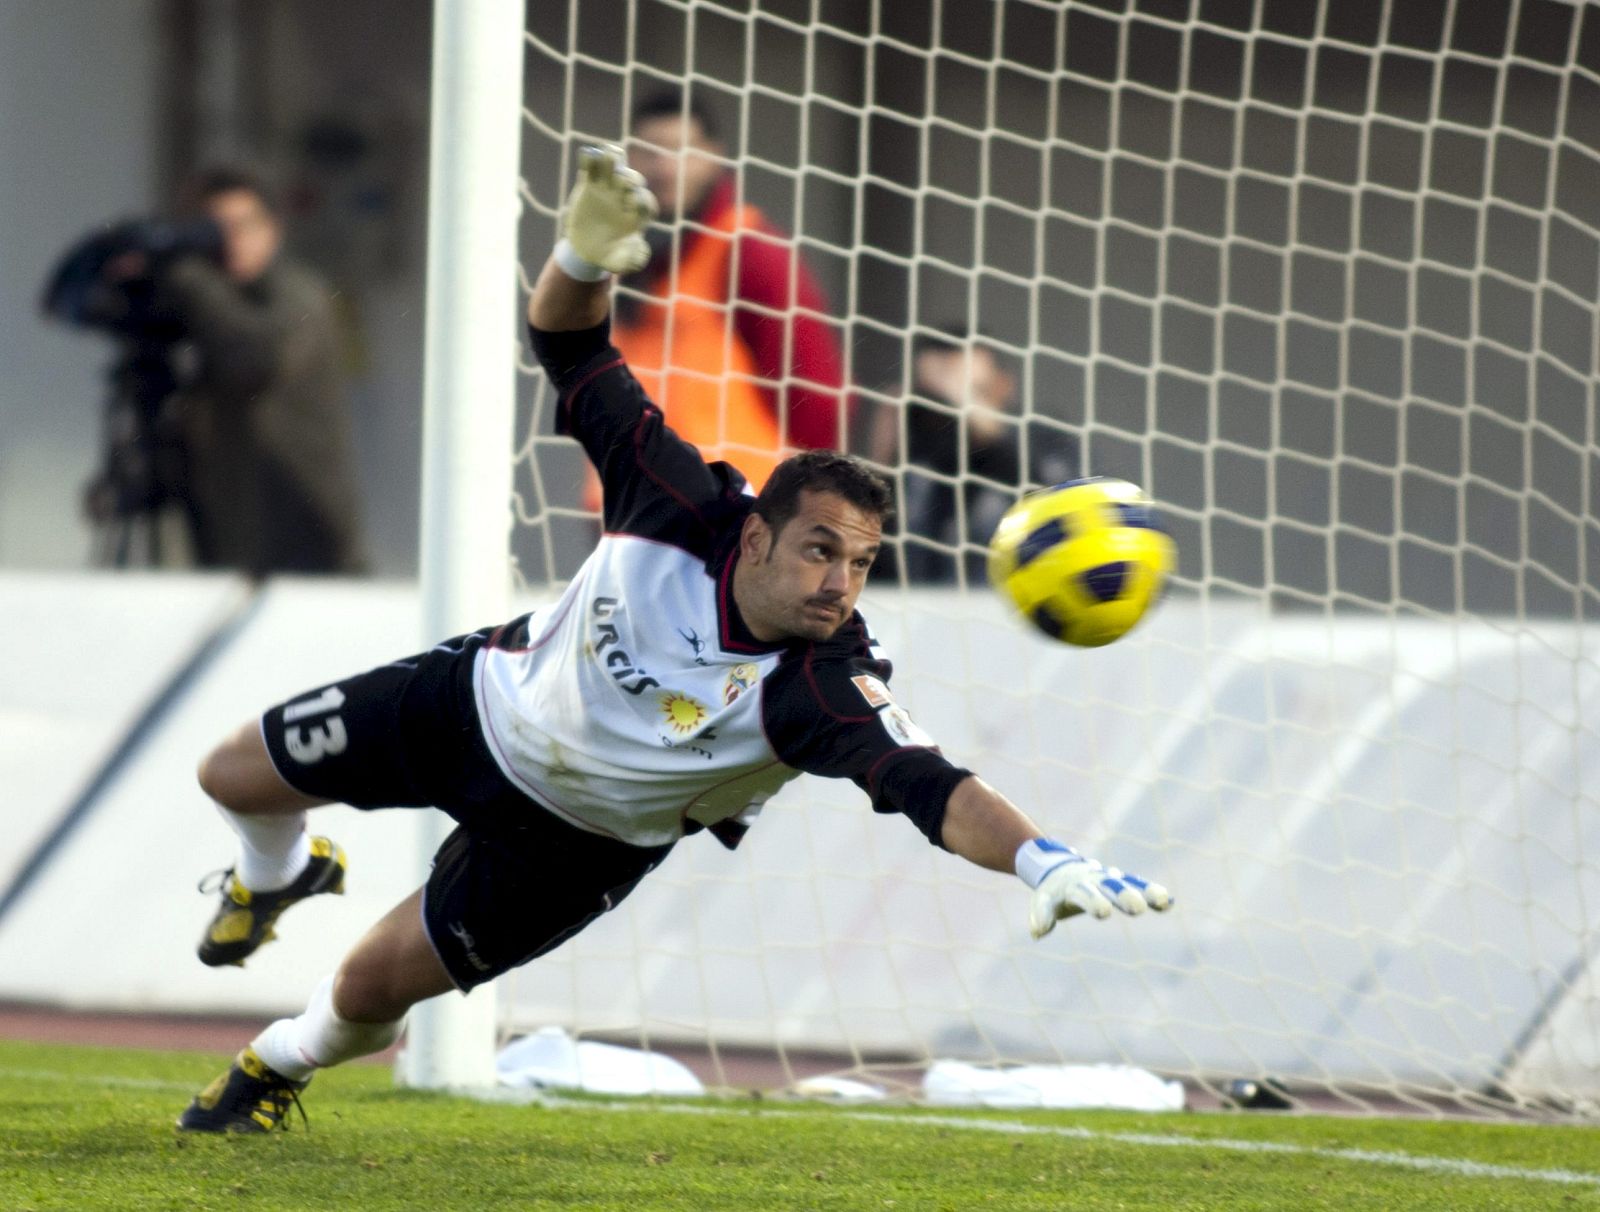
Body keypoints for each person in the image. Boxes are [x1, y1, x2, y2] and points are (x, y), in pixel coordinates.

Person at [175, 147, 1169, 1133]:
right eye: (820, 550)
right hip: (478, 704)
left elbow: (928, 782)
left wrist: (1040, 860)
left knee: (364, 993)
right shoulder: (670, 496)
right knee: (229, 773)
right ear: (753, 532)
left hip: (575, 843)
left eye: (860, 562)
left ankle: (273, 1067)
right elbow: (568, 346)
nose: (838, 582)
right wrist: (585, 254)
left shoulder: (822, 681)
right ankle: (277, 877)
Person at [101, 164, 365, 575]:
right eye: (211, 230)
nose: (230, 242)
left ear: (273, 229)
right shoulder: (208, 310)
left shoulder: (297, 296)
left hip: (308, 557)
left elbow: (257, 359)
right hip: (234, 552)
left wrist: (187, 279)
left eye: (243, 225)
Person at [607, 90, 847, 494]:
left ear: (714, 154)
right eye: (650, 151)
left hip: (730, 515)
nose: (665, 167)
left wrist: (806, 502)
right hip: (633, 512)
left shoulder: (750, 252)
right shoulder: (623, 257)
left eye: (681, 150)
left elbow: (814, 393)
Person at [871, 326, 1079, 585]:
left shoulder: (1041, 438)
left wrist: (979, 420)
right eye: (932, 397)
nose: (952, 410)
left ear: (1004, 386)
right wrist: (883, 458)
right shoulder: (919, 458)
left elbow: (1063, 520)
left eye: (976, 391)